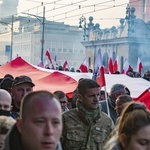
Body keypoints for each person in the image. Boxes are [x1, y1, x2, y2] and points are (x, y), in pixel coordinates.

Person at [61, 79, 114, 150]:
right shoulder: (65, 119)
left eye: (98, 95)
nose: (96, 99)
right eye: (91, 96)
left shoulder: (106, 121)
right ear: (80, 97)